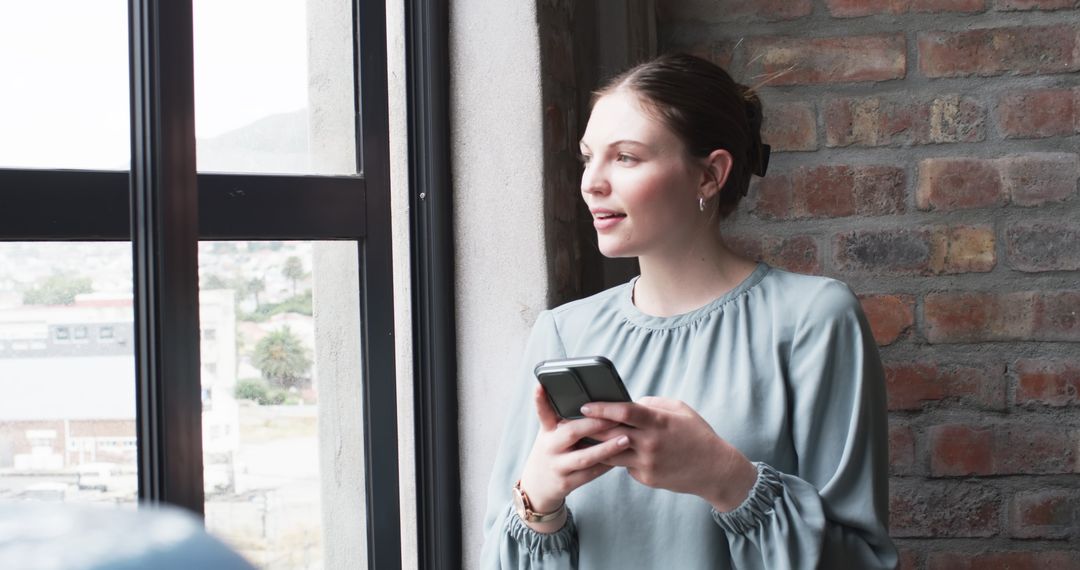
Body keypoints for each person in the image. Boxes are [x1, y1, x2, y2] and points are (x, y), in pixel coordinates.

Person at [480, 53, 898, 569]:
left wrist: (724, 477)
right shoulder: (563, 332)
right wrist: (538, 500)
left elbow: (858, 560)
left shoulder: (812, 319)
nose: (591, 182)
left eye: (626, 157)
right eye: (588, 157)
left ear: (709, 175)